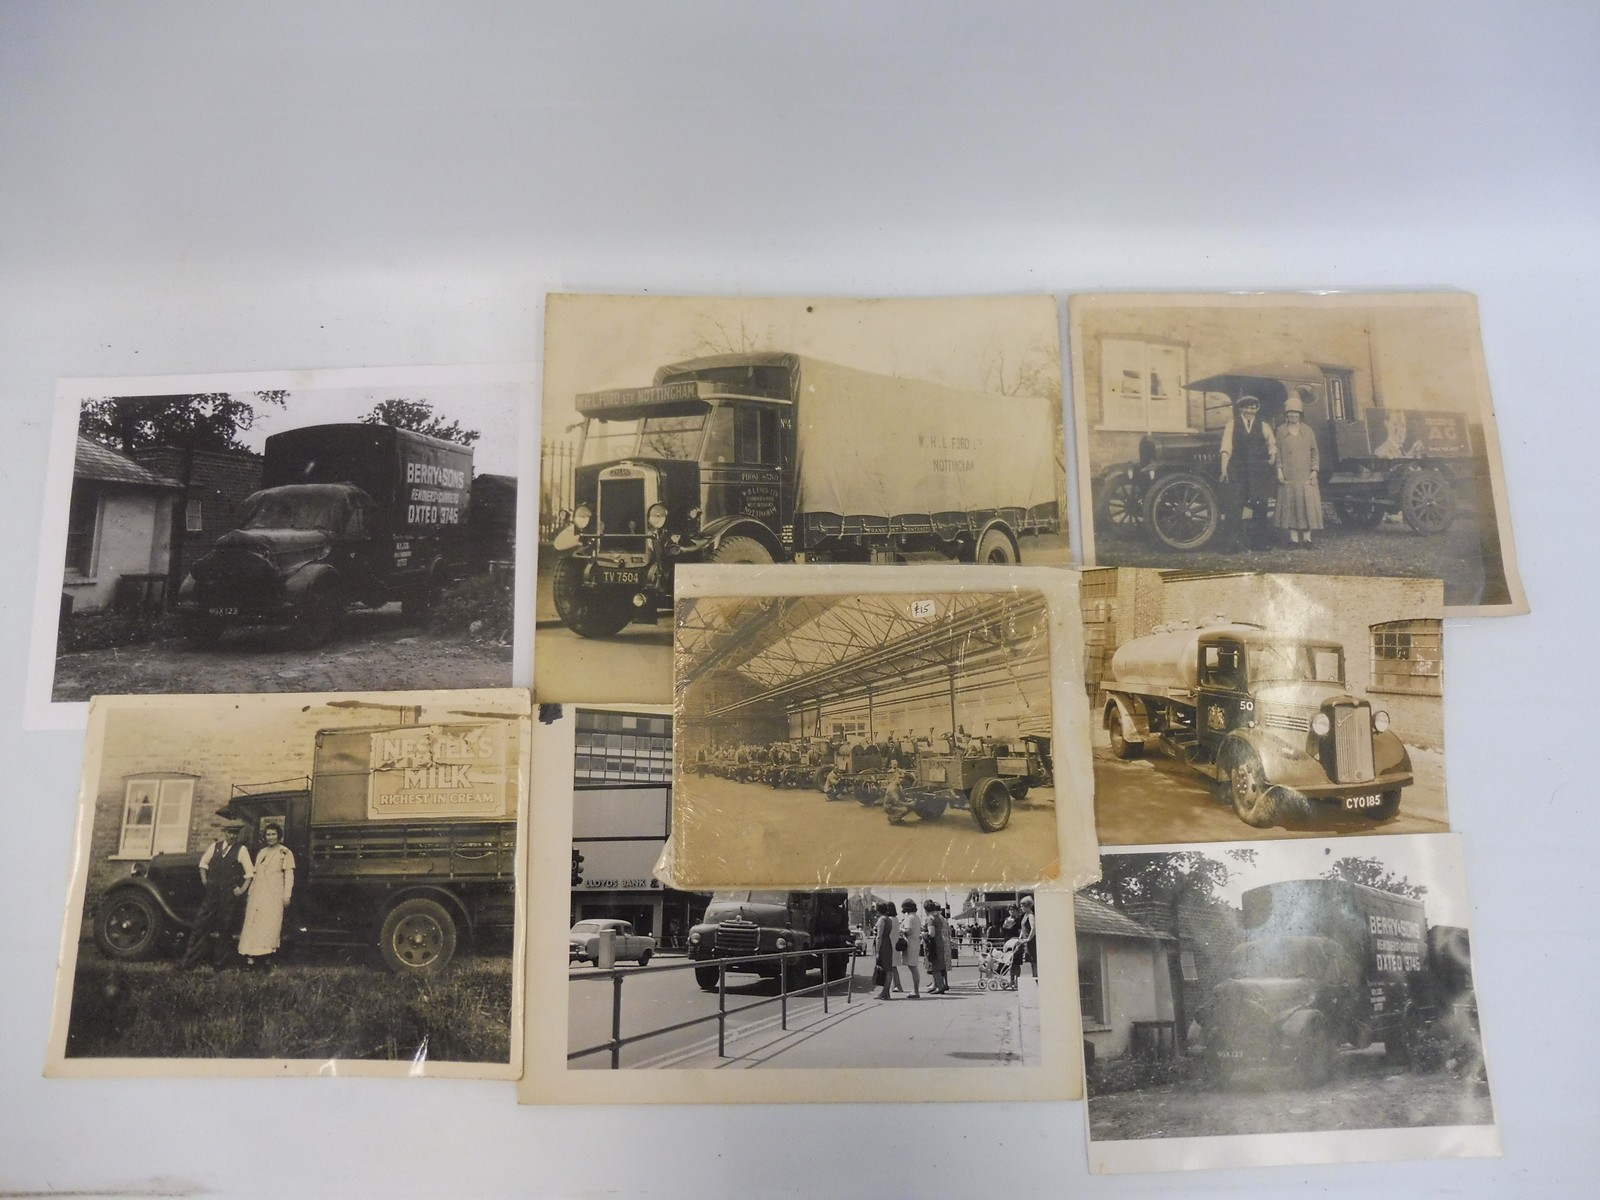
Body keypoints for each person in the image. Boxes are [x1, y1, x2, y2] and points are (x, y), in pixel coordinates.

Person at [179, 819, 254, 969]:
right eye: (229, 832)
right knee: (200, 925)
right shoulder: (215, 847)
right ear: (224, 833)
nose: (232, 836)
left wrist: (242, 889)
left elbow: (250, 873)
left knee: (225, 928)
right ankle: (189, 962)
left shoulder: (241, 850)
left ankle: (219, 963)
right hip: (212, 894)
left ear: (238, 835)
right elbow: (203, 864)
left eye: (235, 833)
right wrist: (205, 880)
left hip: (228, 895)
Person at [1219, 394, 1278, 549]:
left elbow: (1272, 444)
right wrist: (1224, 470)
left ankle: (1260, 543)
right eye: (1246, 407)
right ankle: (1232, 544)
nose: (1250, 411)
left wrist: (1272, 457)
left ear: (1257, 409)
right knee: (1234, 507)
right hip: (1238, 471)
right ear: (1241, 408)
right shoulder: (1232, 425)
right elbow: (1226, 448)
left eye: (1253, 408)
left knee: (1260, 506)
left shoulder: (1264, 425)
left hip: (1258, 472)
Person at [238, 821, 295, 970]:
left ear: (279, 836)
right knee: (253, 924)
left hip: (274, 893)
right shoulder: (262, 853)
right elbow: (255, 874)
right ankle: (250, 960)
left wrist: (286, 895)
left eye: (273, 834)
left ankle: (266, 960)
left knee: (269, 925)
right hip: (258, 893)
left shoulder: (285, 852)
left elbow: (289, 875)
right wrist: (250, 893)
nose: (270, 837)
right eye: (268, 834)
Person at [1274, 394, 1323, 547]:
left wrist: (1314, 471)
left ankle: (1307, 539)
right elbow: (1278, 452)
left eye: (1296, 412)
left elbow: (1315, 452)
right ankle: (1293, 539)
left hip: (1305, 474)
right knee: (1291, 504)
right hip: (1289, 474)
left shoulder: (1308, 431)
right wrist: (1279, 471)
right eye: (1290, 412)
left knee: (1306, 504)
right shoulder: (1281, 431)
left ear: (1300, 414)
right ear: (1286, 414)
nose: (1293, 415)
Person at [923, 899, 950, 994]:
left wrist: (923, 934)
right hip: (940, 942)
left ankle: (940, 986)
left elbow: (931, 933)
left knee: (935, 966)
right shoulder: (938, 918)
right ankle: (939, 985)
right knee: (939, 964)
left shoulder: (930, 919)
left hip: (933, 944)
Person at [1008, 895, 1037, 985]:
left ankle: (1036, 979)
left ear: (1027, 906)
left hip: (1030, 942)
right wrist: (1020, 938)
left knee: (1033, 961)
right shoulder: (1025, 915)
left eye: (1022, 906)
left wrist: (1028, 938)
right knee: (1031, 961)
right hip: (1024, 941)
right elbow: (1023, 928)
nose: (1021, 908)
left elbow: (1033, 928)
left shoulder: (1031, 916)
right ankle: (1035, 978)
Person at [898, 898, 923, 998]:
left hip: (910, 944)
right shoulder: (916, 917)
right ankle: (915, 990)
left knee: (913, 967)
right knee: (913, 967)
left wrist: (901, 929)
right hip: (915, 943)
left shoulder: (909, 918)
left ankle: (916, 991)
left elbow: (909, 931)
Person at [874, 901, 899, 1000]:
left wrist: (877, 950)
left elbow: (879, 936)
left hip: (883, 944)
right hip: (888, 942)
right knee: (888, 968)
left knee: (884, 968)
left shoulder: (881, 920)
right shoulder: (889, 919)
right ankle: (886, 991)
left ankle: (884, 992)